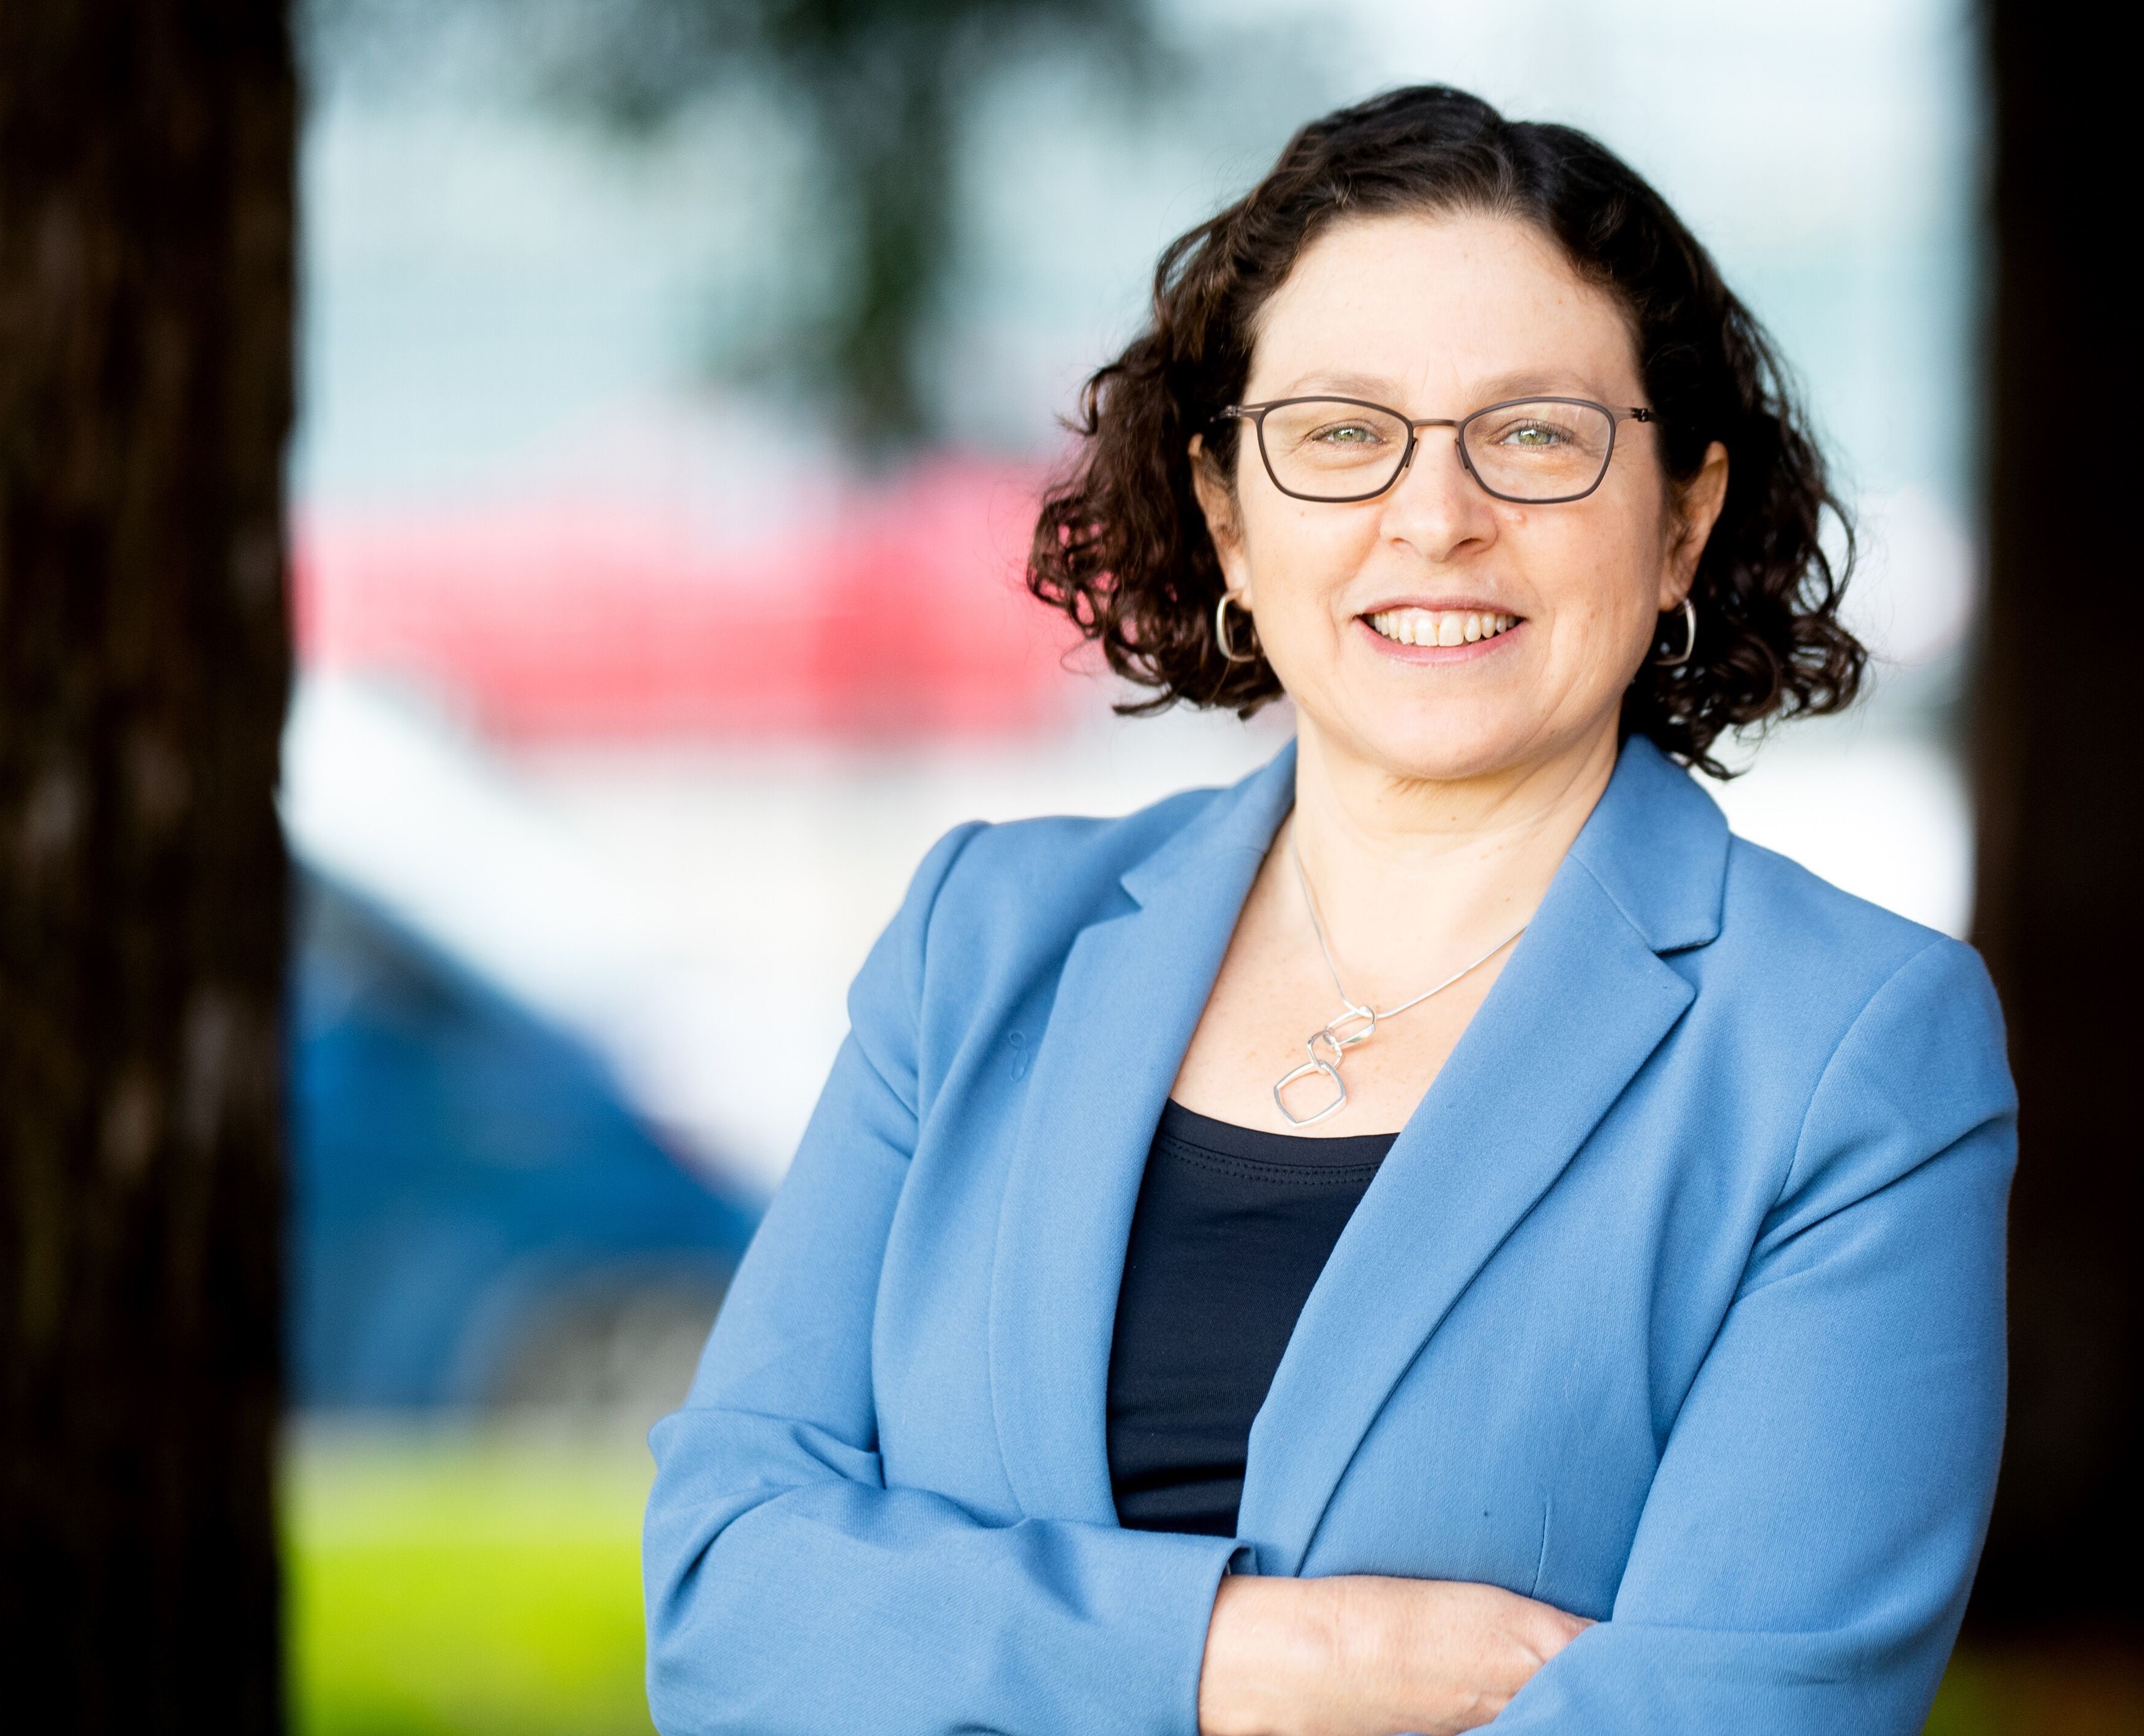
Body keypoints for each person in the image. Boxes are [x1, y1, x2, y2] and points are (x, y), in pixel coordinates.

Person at [644, 85, 2015, 1736]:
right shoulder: (983, 940)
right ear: (1228, 513)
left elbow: (1750, 1707)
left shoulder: (1849, 1048)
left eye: (1533, 435)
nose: (1432, 517)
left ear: (1683, 525)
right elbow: (726, 1602)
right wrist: (1252, 1663)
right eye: (1340, 433)